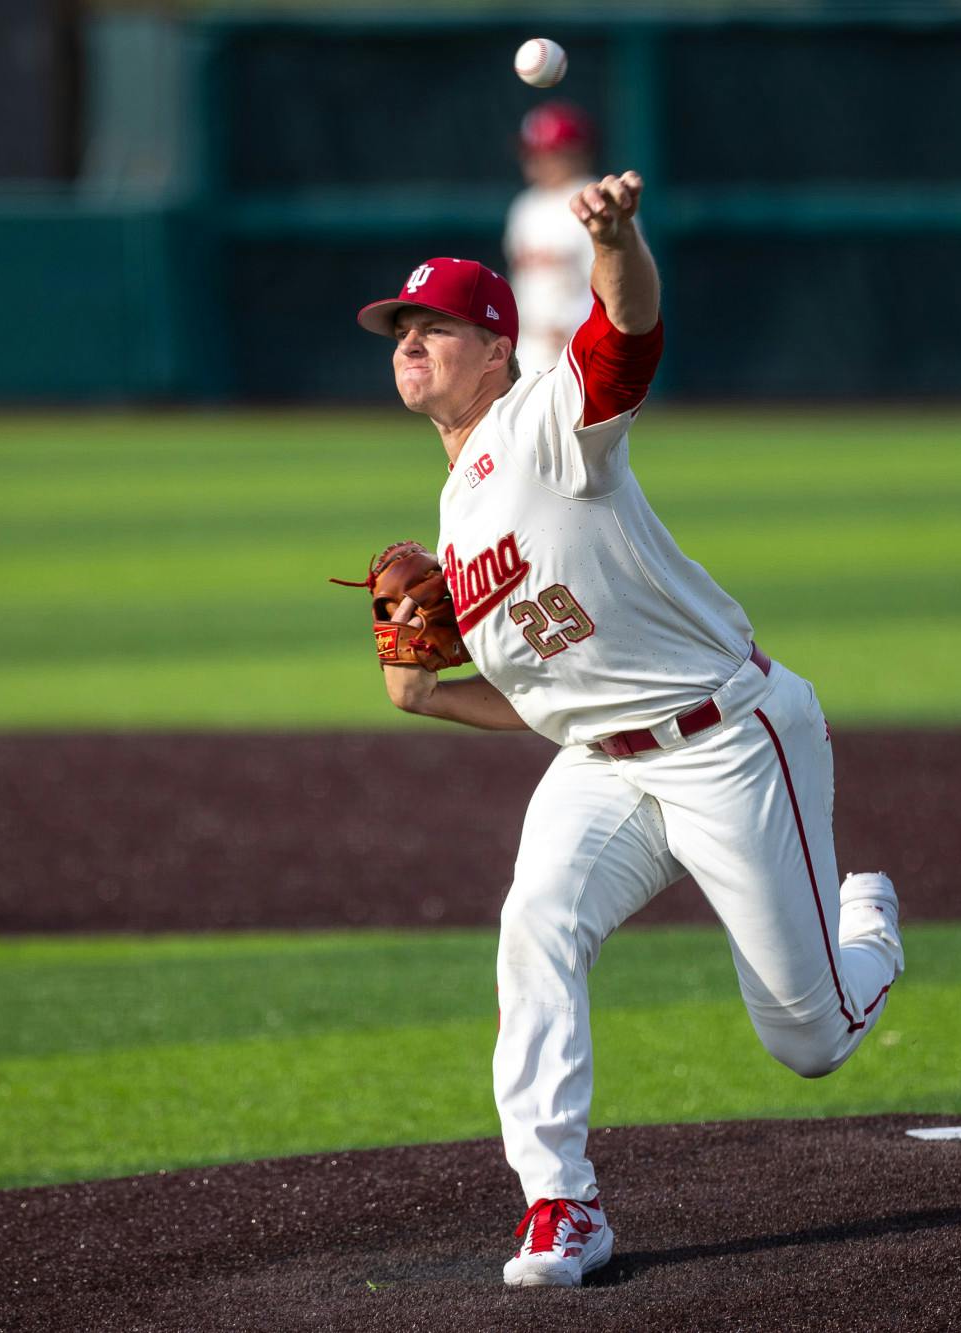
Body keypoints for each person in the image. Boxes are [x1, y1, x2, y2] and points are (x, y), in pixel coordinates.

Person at [354, 171, 903, 1287]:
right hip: (603, 764)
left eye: (435, 325)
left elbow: (628, 334)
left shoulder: (548, 422)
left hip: (730, 742)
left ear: (497, 346)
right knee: (535, 925)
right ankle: (562, 1204)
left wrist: (615, 240)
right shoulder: (456, 515)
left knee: (808, 1040)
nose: (410, 340)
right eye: (399, 327)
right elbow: (557, 703)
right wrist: (425, 697)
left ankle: (869, 919)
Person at [503, 100, 598, 370]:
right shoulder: (525, 207)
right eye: (533, 152)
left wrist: (577, 326)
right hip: (528, 345)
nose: (538, 161)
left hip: (580, 344)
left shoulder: (596, 200)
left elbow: (615, 283)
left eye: (550, 152)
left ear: (578, 153)